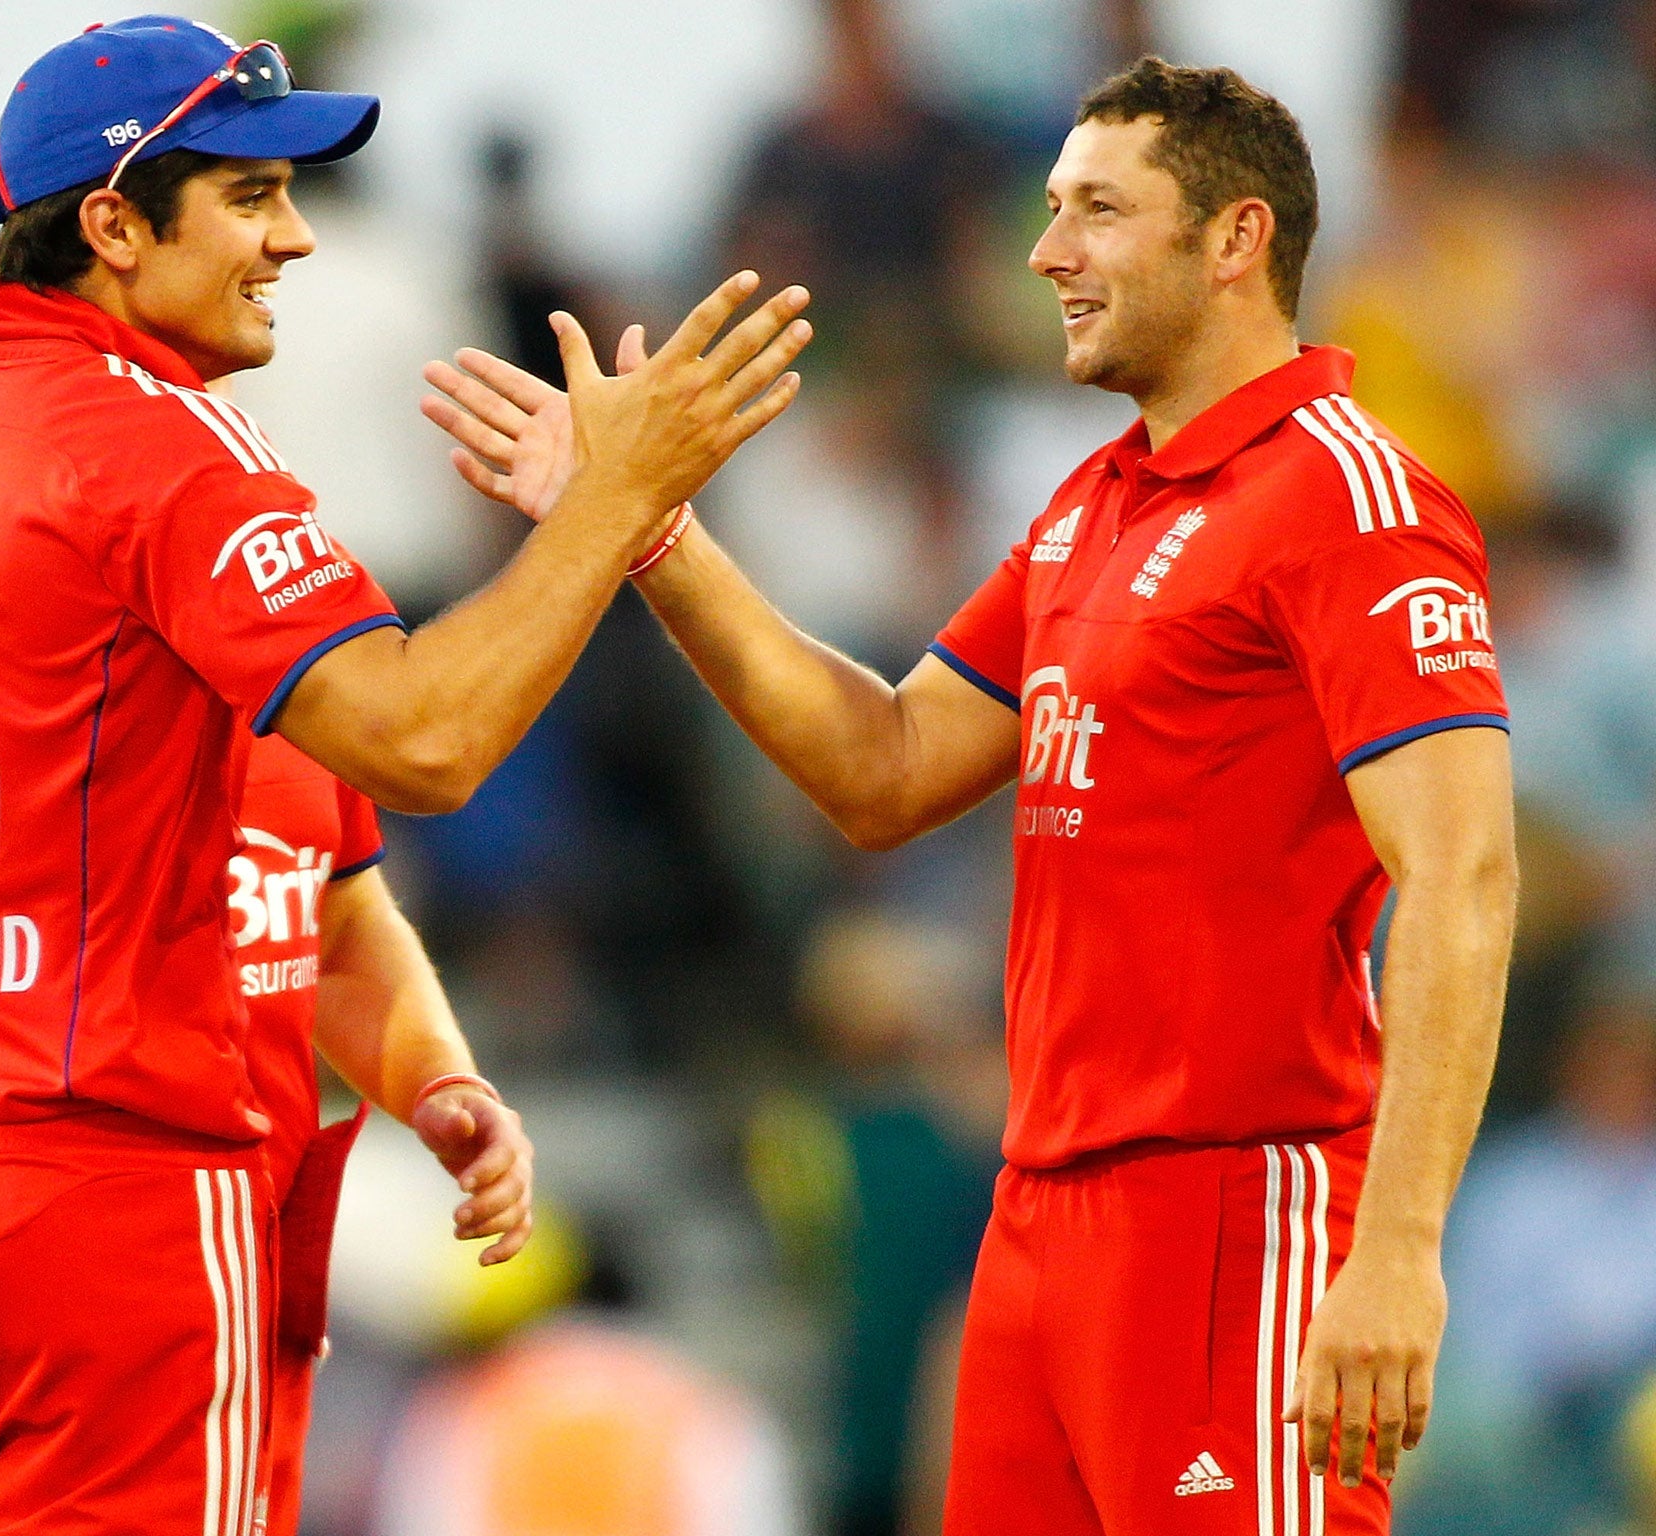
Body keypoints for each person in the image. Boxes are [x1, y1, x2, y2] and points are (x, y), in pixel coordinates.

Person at [0, 14, 810, 1534]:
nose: (291, 240)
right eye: (253, 197)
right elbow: (424, 741)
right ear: (114, 226)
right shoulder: (170, 459)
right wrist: (617, 503)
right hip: (117, 1214)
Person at [425, 56, 1517, 1535]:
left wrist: (1398, 1246)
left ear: (1236, 240)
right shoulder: (1094, 507)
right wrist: (648, 530)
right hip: (1042, 1215)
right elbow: (883, 770)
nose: (1044, 251)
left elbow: (1464, 874)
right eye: (1052, 208)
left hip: (1232, 1218)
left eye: (1097, 212)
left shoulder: (1349, 502)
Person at [230, 730, 524, 1532]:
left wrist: (445, 1078)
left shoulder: (297, 718)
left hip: (310, 1439)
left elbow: (342, 920)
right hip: (79, 1211)